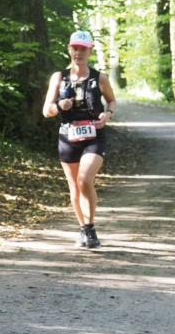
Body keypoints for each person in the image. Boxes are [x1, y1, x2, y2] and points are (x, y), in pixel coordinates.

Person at [42, 30, 118, 249]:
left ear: (90, 51)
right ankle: (83, 229)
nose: (78, 53)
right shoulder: (59, 78)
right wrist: (59, 106)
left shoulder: (99, 78)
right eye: (75, 48)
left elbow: (112, 102)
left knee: (85, 180)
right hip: (68, 137)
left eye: (83, 49)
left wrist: (107, 115)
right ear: (69, 49)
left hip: (94, 135)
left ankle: (91, 227)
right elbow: (46, 110)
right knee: (74, 187)